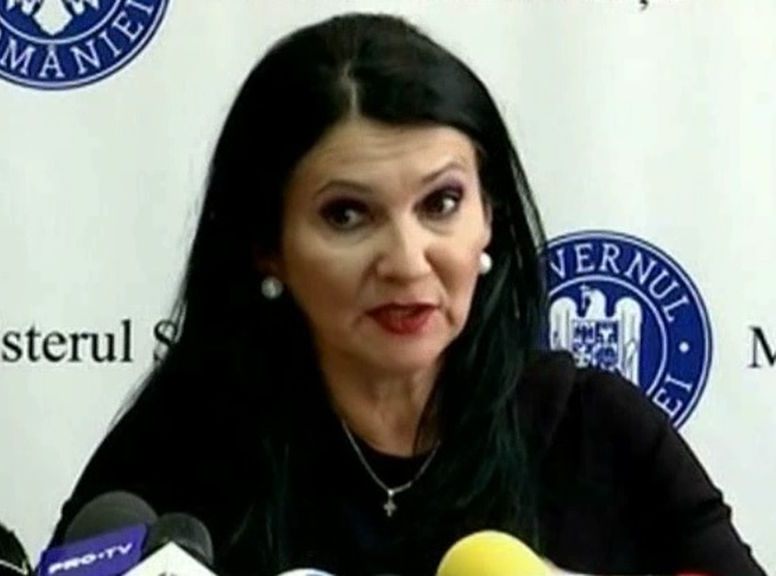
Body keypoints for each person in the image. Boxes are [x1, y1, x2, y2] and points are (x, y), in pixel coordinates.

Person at [49, 12, 765, 576]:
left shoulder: (595, 432)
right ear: (269, 245)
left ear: (490, 217)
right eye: (347, 215)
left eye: (441, 203)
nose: (406, 261)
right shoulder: (178, 447)